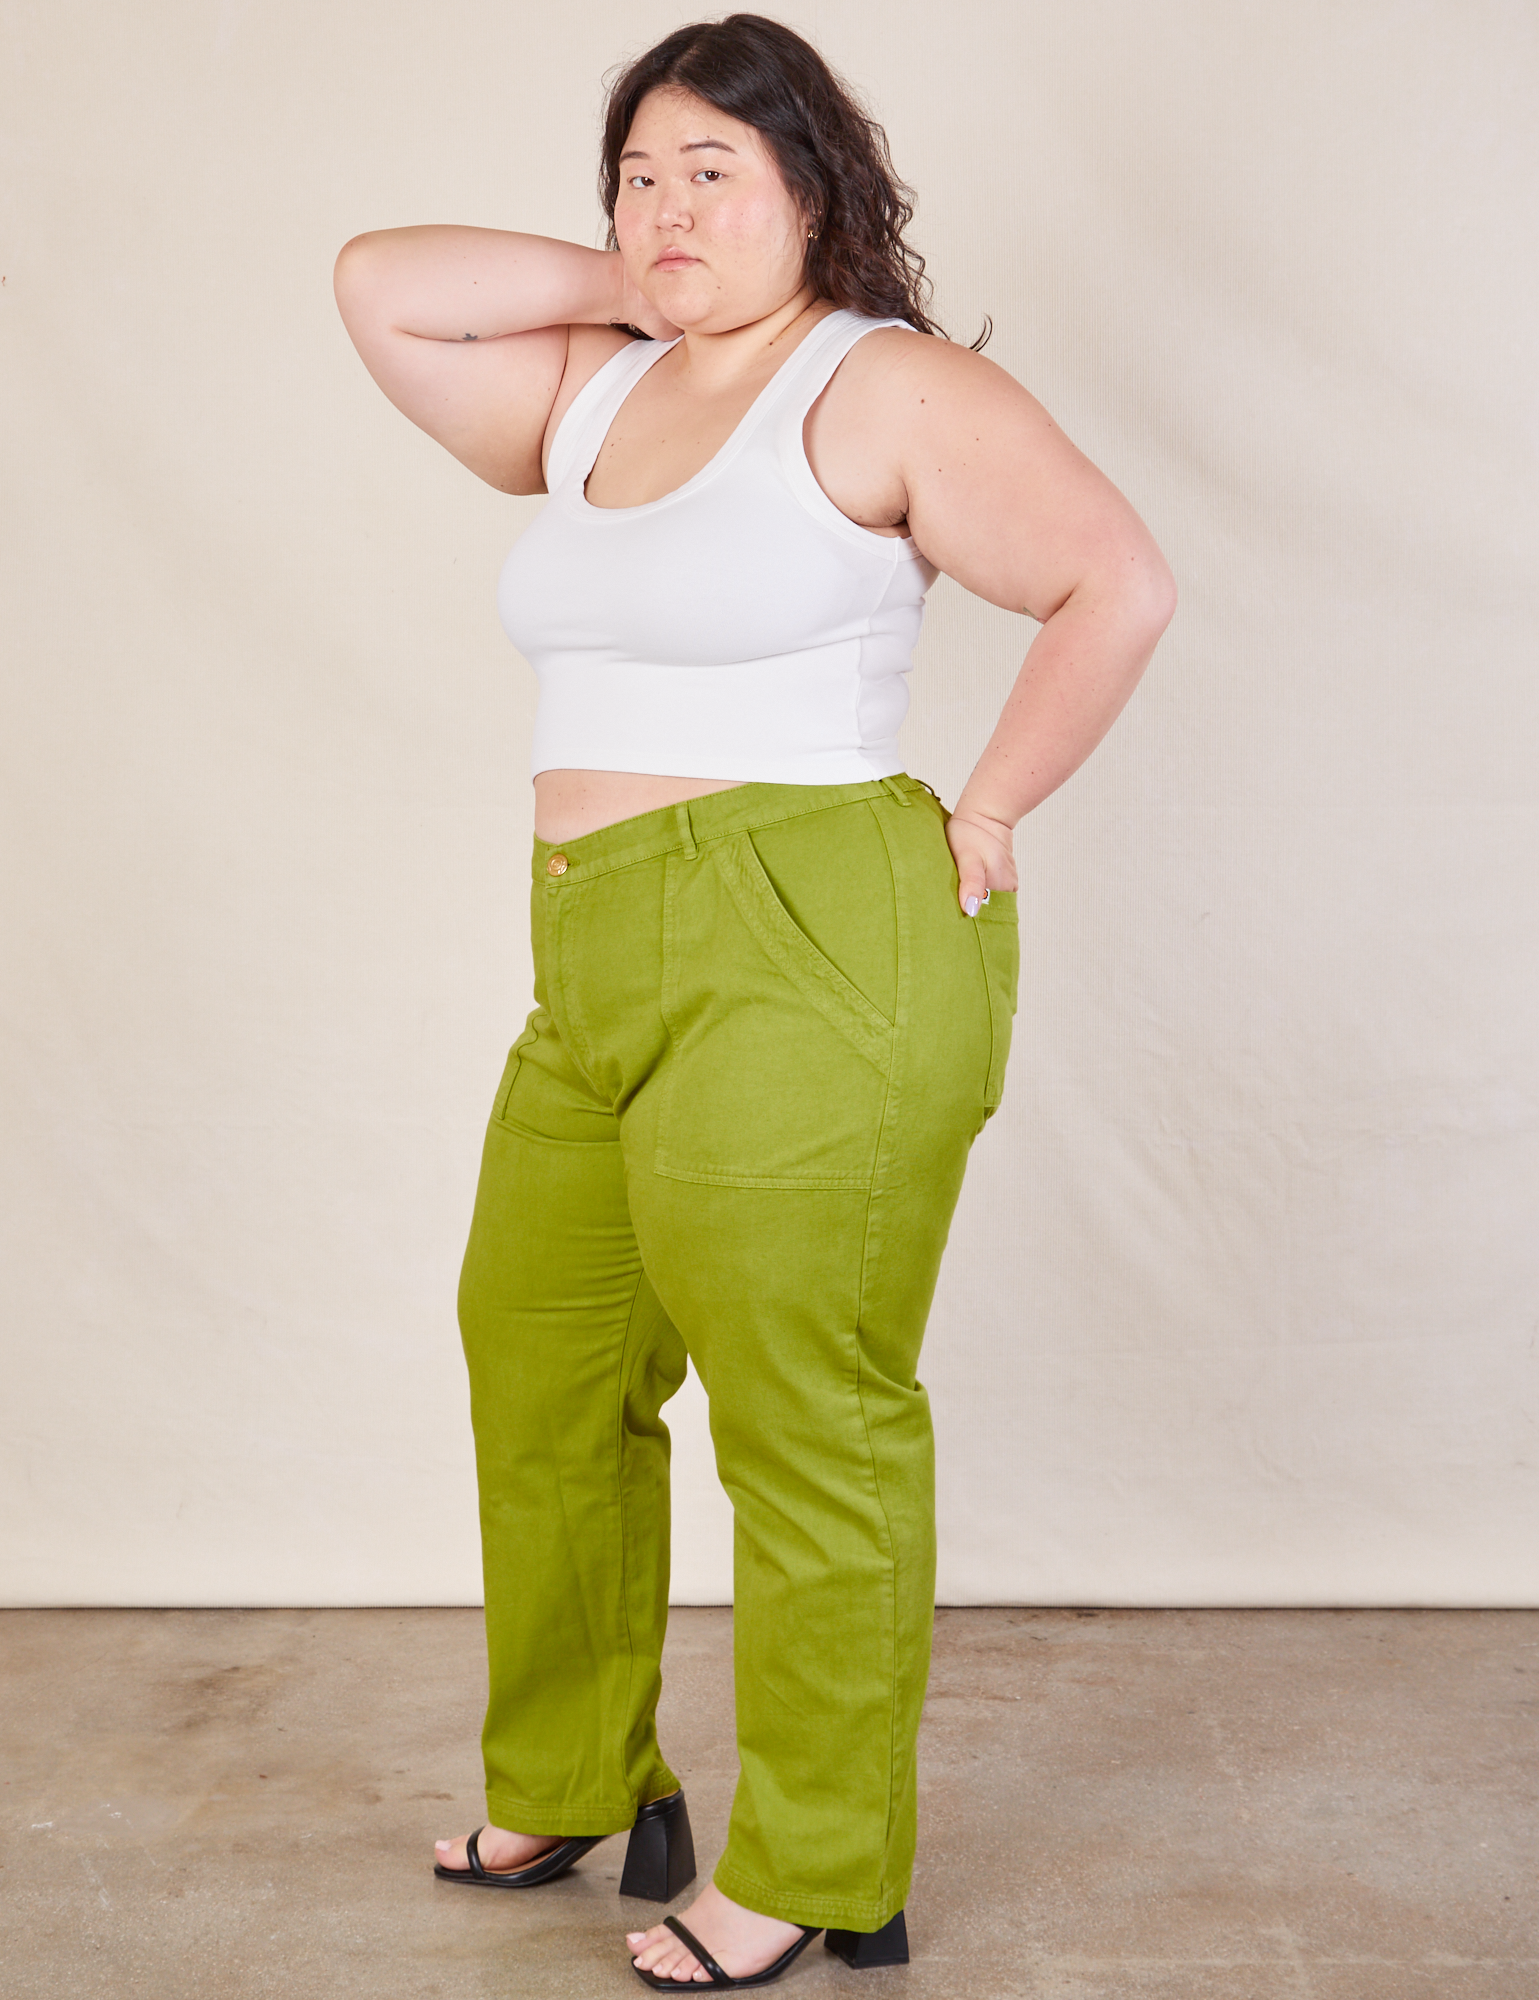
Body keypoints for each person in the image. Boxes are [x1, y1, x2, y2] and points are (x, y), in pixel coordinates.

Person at [334, 13, 1173, 1988]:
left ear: (819, 189)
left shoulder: (881, 384)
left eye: (718, 164)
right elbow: (381, 287)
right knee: (537, 1360)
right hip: (595, 944)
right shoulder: (594, 394)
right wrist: (637, 273)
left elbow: (1112, 581)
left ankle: (816, 1861)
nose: (666, 199)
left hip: (811, 932)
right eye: (637, 168)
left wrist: (989, 801)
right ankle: (574, 1777)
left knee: (806, 1409)